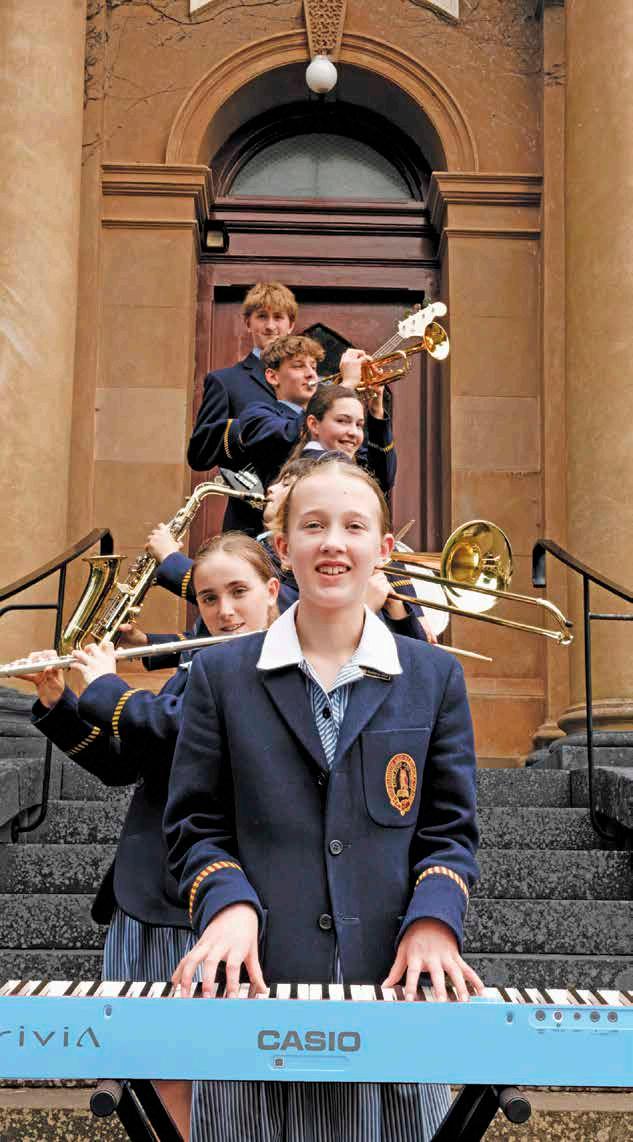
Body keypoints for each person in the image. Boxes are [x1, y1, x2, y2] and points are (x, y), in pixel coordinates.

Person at [164, 456, 482, 1142]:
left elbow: (449, 832)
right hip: (254, 991)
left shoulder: (435, 677)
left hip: (393, 993)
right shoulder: (219, 674)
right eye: (313, 526)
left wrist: (434, 921)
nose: (333, 542)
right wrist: (228, 905)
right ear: (283, 547)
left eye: (353, 526)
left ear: (383, 548)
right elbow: (195, 824)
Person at [21, 535, 280, 1140]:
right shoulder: (200, 665)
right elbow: (129, 765)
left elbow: (174, 732)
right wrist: (61, 703)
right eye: (209, 598)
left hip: (222, 896)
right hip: (146, 892)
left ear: (272, 593)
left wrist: (106, 688)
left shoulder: (275, 668)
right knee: (155, 1060)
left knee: (220, 1069)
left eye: (239, 592)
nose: (225, 612)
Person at [188, 282, 298, 534]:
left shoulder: (309, 382)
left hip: (303, 518)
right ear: (248, 323)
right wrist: (249, 427)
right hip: (248, 522)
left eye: (278, 317)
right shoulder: (225, 381)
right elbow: (199, 455)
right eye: (262, 317)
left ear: (291, 325)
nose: (270, 326)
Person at [239, 339, 396, 498]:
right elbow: (289, 438)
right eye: (298, 366)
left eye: (313, 367)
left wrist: (376, 409)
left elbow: (382, 480)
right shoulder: (256, 414)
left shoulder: (342, 429)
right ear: (273, 376)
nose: (311, 374)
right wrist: (346, 385)